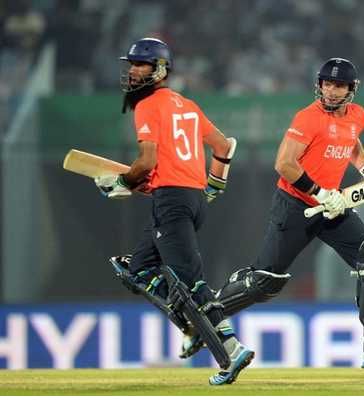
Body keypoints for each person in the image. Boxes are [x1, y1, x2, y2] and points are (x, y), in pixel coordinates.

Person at [215, 57, 364, 368]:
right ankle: (207, 313)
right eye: (327, 84)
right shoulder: (308, 118)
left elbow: (352, 144)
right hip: (296, 205)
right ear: (319, 85)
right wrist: (320, 193)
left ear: (352, 89)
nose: (332, 91)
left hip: (333, 207)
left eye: (339, 85)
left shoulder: (357, 115)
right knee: (266, 280)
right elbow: (284, 164)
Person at [94, 37, 253, 385]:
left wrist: (124, 182)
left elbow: (147, 161)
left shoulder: (147, 105)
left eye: (142, 65)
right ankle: (193, 326)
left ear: (160, 69)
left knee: (191, 281)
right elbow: (224, 146)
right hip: (191, 198)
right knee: (137, 270)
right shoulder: (188, 105)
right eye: (132, 65)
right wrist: (215, 186)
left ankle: (231, 348)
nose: (134, 71)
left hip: (172, 201)